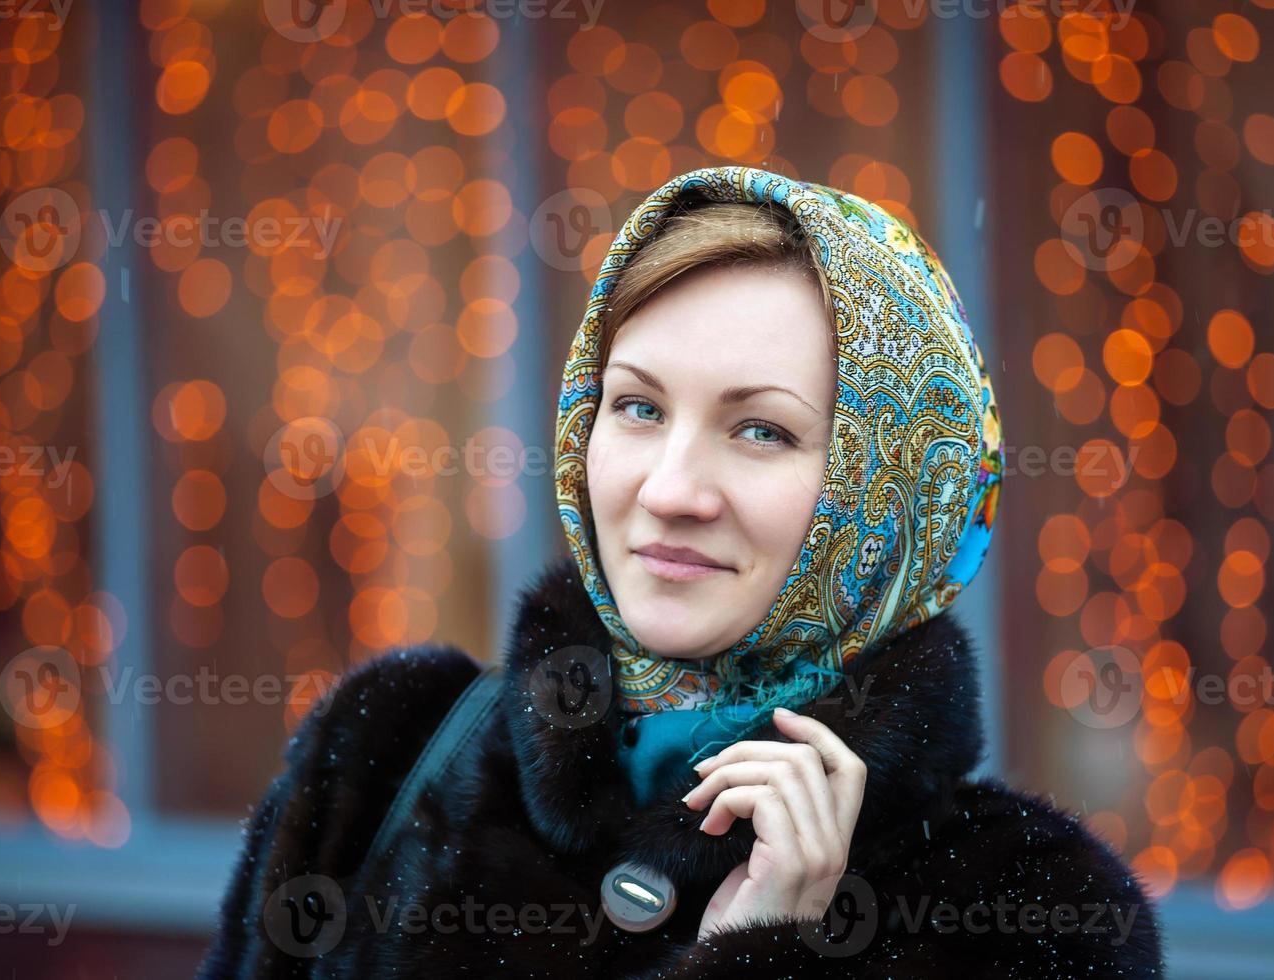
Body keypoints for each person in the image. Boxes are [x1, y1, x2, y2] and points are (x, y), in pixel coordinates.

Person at [198, 166, 1164, 977]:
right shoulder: (389, 749)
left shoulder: (1033, 911)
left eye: (761, 429)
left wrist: (761, 954)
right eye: (638, 408)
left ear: (890, 488)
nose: (670, 489)